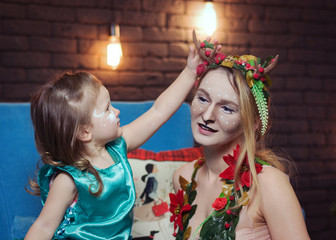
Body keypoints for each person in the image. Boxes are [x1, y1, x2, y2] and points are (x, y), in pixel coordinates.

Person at [24, 43, 200, 239]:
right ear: (84, 132)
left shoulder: (117, 147)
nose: (116, 111)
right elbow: (43, 227)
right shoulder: (68, 180)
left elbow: (158, 112)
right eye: (107, 108)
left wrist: (190, 72)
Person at [169, 31, 310, 240]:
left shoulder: (268, 184)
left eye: (227, 108)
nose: (207, 115)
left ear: (252, 123)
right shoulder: (183, 177)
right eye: (203, 99)